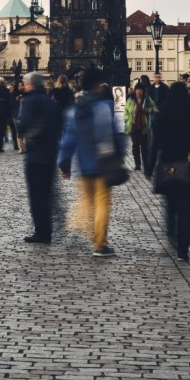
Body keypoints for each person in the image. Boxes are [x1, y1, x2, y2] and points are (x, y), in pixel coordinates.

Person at [58, 68, 125, 257]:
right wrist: (118, 155)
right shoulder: (102, 106)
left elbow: (68, 139)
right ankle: (100, 244)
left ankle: (80, 225)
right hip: (102, 163)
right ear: (97, 85)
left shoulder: (75, 108)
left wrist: (64, 163)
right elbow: (111, 134)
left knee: (87, 201)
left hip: (83, 164)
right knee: (102, 203)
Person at [145, 80, 190, 262]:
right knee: (185, 210)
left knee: (171, 205)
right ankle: (183, 250)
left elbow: (154, 144)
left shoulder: (162, 114)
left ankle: (171, 234)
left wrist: (149, 167)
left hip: (167, 165)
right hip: (188, 166)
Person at [16, 72, 62, 244]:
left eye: (25, 83)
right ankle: (47, 231)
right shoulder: (49, 100)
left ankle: (41, 232)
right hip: (50, 154)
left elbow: (23, 124)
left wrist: (22, 128)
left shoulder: (30, 100)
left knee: (37, 196)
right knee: (47, 196)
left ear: (30, 85)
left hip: (35, 156)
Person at [123, 83, 157, 171]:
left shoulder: (147, 99)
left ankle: (145, 164)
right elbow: (126, 111)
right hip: (133, 125)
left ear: (143, 91)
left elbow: (155, 108)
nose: (139, 91)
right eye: (137, 89)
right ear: (135, 90)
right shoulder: (131, 99)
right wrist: (127, 120)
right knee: (135, 146)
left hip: (144, 125)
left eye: (140, 90)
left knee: (144, 146)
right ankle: (137, 164)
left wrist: (150, 110)